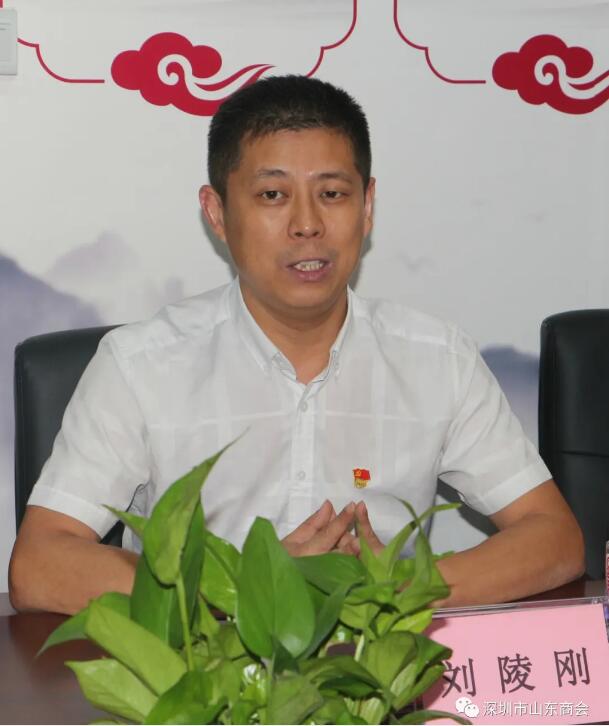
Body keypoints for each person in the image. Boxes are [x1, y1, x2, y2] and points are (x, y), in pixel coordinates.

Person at [9, 75, 583, 615]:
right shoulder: (141, 365)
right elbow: (40, 563)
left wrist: (396, 592)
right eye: (273, 195)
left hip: (378, 666)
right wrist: (242, 588)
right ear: (217, 213)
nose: (307, 224)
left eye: (332, 193)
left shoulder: (436, 359)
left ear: (367, 206)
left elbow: (553, 537)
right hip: (201, 669)